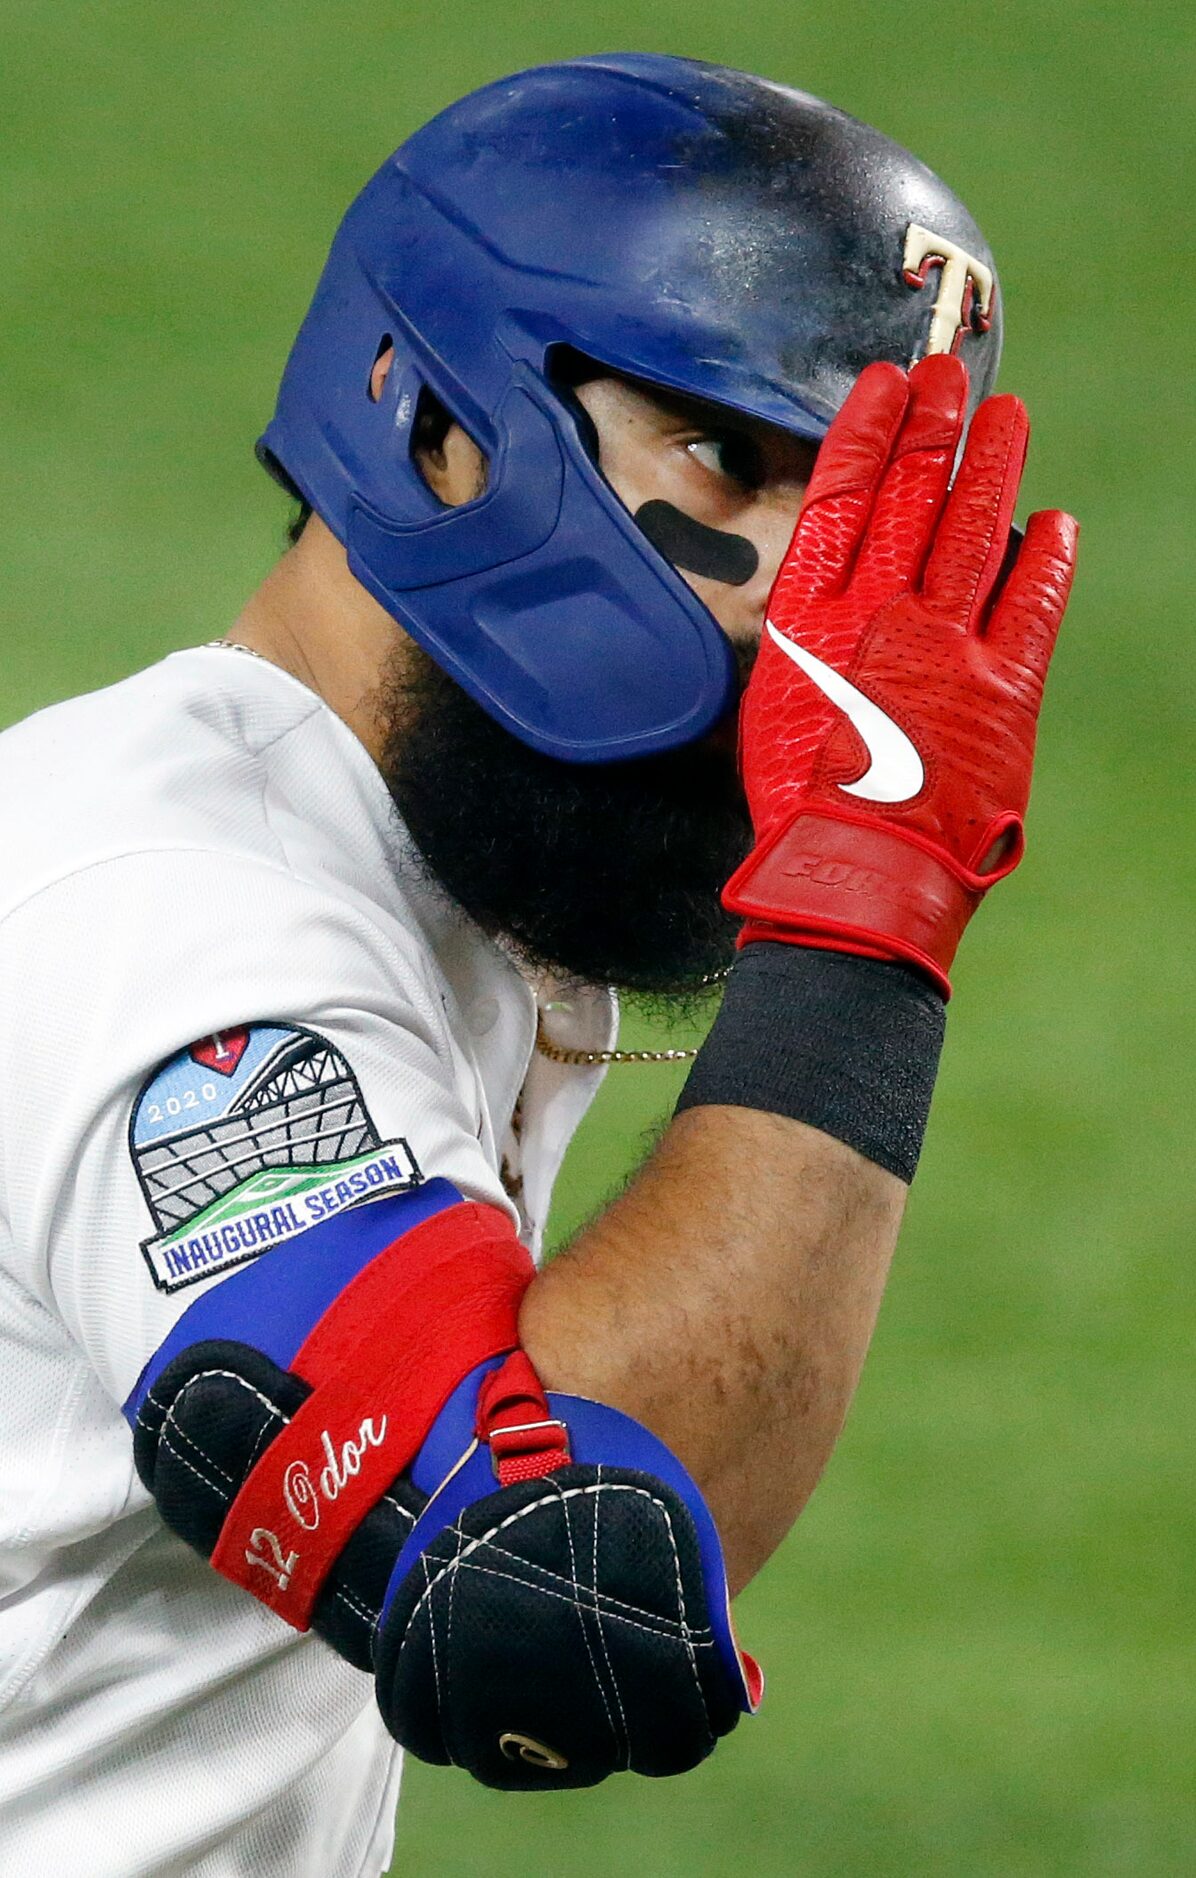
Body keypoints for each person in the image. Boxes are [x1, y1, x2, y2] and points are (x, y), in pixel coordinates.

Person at [0, 53, 1076, 1877]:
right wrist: (865, 908)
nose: (819, 609)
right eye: (731, 460)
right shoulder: (177, 932)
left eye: (862, 510)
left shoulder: (403, 882)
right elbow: (564, 1599)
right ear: (438, 425)